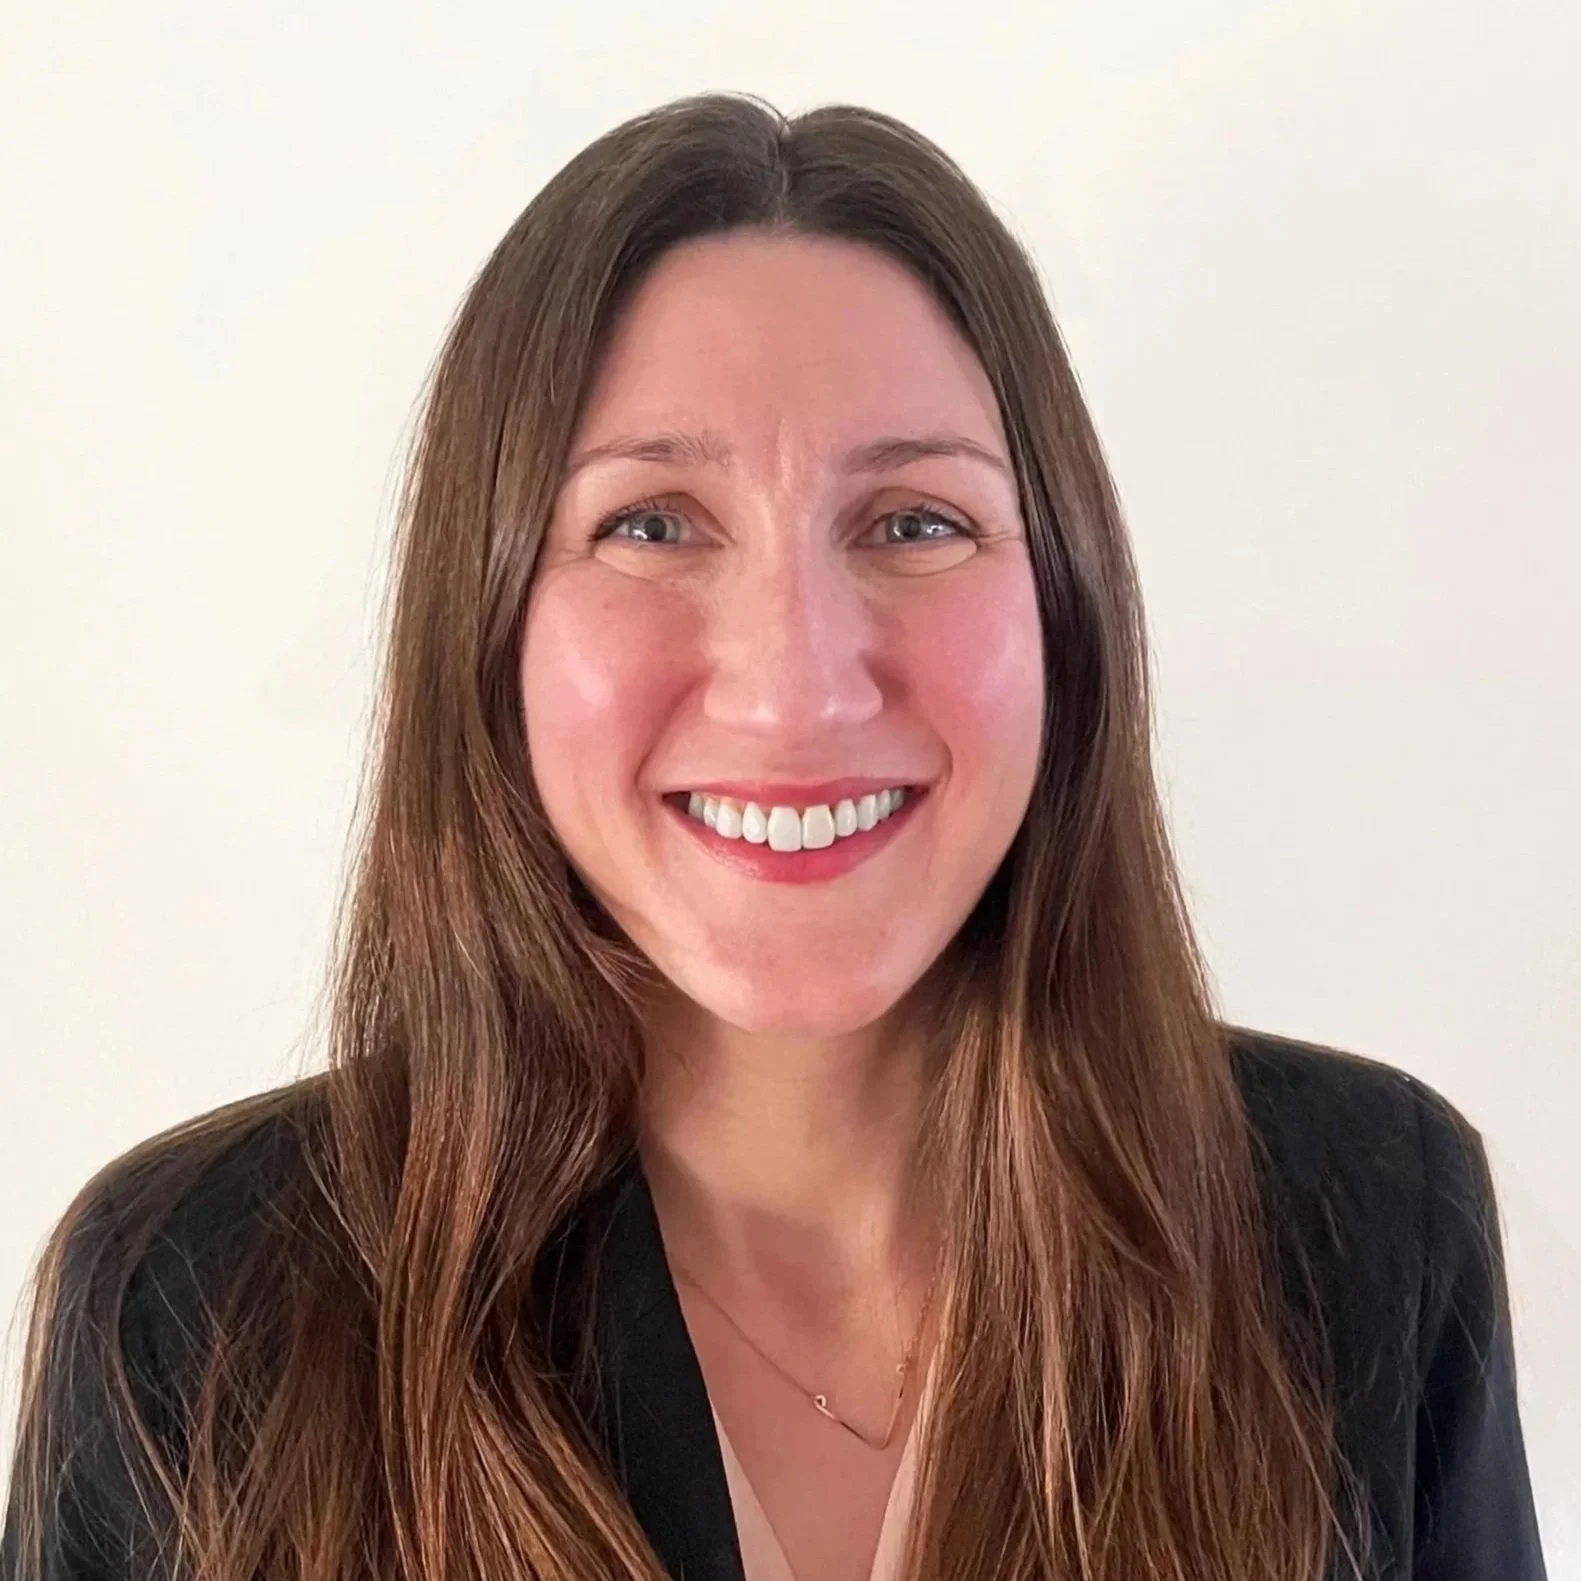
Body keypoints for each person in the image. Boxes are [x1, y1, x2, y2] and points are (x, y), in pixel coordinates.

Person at [1, 92, 1547, 1581]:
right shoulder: (190, 1308)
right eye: (653, 524)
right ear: (488, 630)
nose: (799, 688)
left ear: (1065, 605)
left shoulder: (1369, 1224)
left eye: (916, 523)